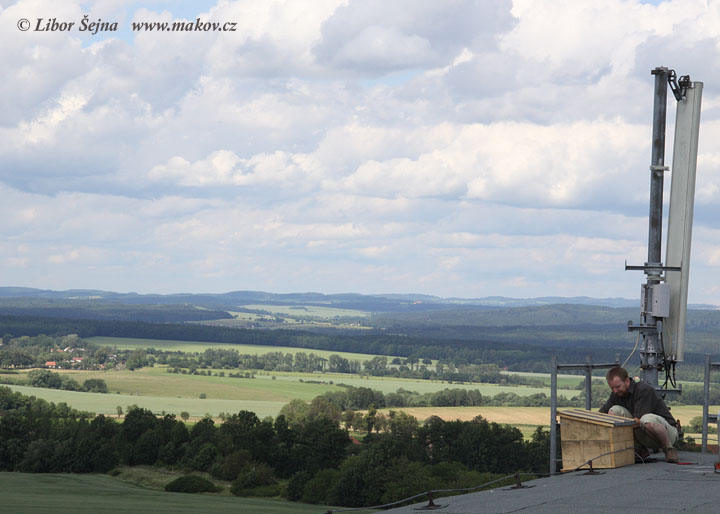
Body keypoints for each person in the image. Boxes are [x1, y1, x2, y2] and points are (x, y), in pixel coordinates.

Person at [599, 366, 679, 463]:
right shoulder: (616, 394)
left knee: (646, 419)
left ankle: (669, 449)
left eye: (618, 387)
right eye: (612, 388)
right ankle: (638, 449)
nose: (615, 391)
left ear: (627, 381)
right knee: (614, 411)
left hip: (667, 433)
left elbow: (638, 420)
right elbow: (602, 415)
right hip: (644, 435)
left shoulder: (643, 390)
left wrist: (617, 425)